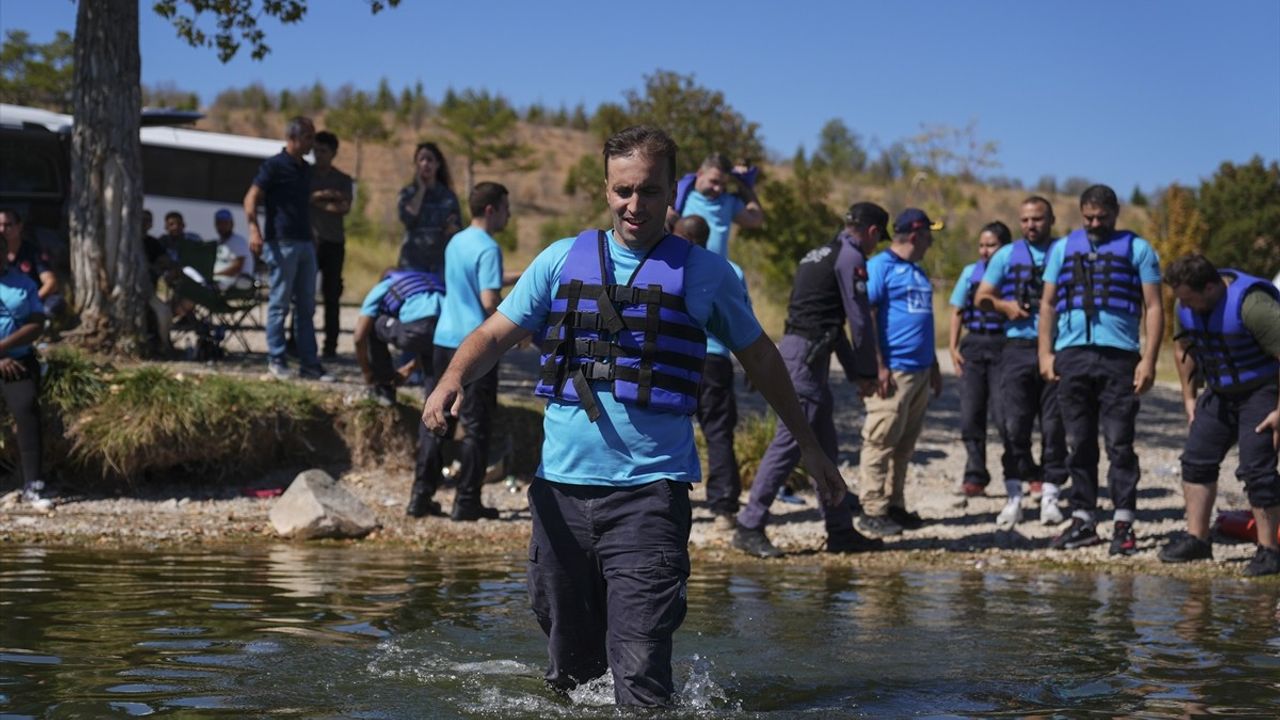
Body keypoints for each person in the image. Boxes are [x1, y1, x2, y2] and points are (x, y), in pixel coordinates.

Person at [422, 126, 847, 707]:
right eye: (623, 190)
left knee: (641, 672)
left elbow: (765, 361)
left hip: (649, 496)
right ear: (605, 189)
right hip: (559, 496)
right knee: (571, 679)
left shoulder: (706, 275)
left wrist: (812, 447)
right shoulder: (559, 260)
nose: (635, 205)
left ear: (674, 190)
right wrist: (451, 378)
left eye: (649, 190)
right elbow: (495, 335)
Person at [731, 203, 889, 557]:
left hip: (800, 352)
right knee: (789, 444)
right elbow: (859, 322)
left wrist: (855, 373)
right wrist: (867, 374)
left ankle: (840, 530)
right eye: (878, 240)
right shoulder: (850, 259)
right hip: (805, 359)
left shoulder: (819, 254)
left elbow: (832, 327)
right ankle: (749, 524)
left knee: (825, 445)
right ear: (873, 232)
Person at [1038, 184, 1163, 554]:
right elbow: (1047, 304)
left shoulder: (1139, 249)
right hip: (1072, 354)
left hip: (1119, 356)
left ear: (1115, 213)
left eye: (1102, 218)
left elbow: (1154, 307)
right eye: (1088, 218)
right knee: (1078, 442)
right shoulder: (1062, 248)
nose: (1095, 224)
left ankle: (1123, 522)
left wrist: (1149, 359)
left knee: (1120, 442)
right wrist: (1045, 354)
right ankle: (1084, 519)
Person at [1159, 254, 1280, 576]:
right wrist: (1188, 398)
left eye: (1189, 298)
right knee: (1196, 460)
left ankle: (1269, 550)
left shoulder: (1253, 305)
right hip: (1219, 391)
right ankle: (1198, 539)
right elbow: (1184, 349)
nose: (1184, 306)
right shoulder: (1186, 304)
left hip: (1262, 389)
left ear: (1211, 287)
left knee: (1257, 468)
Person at [424, 181, 519, 521]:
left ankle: (420, 496)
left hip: (443, 338)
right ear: (492, 209)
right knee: (477, 426)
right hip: (473, 346)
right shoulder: (489, 248)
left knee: (437, 417)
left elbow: (474, 279)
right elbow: (488, 300)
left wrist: (521, 276)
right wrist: (518, 326)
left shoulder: (457, 241)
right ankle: (467, 501)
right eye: (507, 208)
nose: (509, 215)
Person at [973, 197, 1069, 526]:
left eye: (1038, 219)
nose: (1031, 225)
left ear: (1052, 219)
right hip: (1016, 348)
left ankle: (1051, 496)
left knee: (1055, 427)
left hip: (1058, 348)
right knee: (1014, 425)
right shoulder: (1005, 255)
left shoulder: (1066, 251)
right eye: (1025, 220)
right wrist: (1006, 307)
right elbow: (981, 297)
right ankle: (1015, 493)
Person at [855, 208, 944, 538]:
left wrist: (933, 365)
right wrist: (877, 365)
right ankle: (872, 510)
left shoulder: (917, 271)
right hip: (893, 372)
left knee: (904, 446)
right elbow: (867, 316)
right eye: (929, 235)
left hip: (919, 371)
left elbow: (925, 323)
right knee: (880, 441)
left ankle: (895, 504)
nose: (932, 242)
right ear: (916, 234)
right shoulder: (880, 267)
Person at [243, 116, 333, 383]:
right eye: (308, 138)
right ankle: (277, 360)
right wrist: (254, 230)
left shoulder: (305, 169)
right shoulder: (273, 166)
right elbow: (251, 198)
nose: (312, 144)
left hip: (305, 243)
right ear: (294, 137)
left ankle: (310, 364)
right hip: (281, 243)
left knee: (306, 306)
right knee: (279, 303)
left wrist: (312, 235)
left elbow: (301, 206)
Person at [673, 214, 748, 532]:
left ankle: (668, 500)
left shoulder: (674, 266)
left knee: (672, 427)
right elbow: (745, 320)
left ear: (685, 238)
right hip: (717, 360)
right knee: (719, 432)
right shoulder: (731, 270)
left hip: (677, 358)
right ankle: (724, 508)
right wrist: (751, 366)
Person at [353, 266, 447, 514]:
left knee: (373, 325)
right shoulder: (434, 282)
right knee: (435, 410)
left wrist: (368, 373)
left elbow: (359, 335)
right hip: (444, 337)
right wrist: (410, 367)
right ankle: (421, 496)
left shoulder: (385, 285)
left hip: (415, 331)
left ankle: (383, 385)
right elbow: (429, 330)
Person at [947, 221, 1012, 510]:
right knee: (971, 414)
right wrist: (952, 346)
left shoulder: (1013, 274)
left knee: (1005, 416)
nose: (985, 251)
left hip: (1003, 347)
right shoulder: (969, 273)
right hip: (974, 347)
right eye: (982, 245)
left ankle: (1019, 472)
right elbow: (958, 310)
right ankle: (975, 473)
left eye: (992, 245)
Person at [0, 247, 49, 511]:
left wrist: (3, 349)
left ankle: (33, 484)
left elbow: (37, 322)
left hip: (16, 361)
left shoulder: (23, 284)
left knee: (26, 408)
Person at [666, 153, 763, 257]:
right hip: (685, 267)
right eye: (714, 181)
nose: (718, 188)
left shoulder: (728, 201)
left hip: (716, 271)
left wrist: (742, 183)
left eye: (723, 184)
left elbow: (755, 219)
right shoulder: (679, 194)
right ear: (700, 173)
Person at [310, 130, 353, 358]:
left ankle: (331, 345)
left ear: (333, 153)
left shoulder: (342, 179)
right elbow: (304, 199)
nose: (318, 155)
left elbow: (344, 207)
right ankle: (297, 341)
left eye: (323, 151)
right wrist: (326, 197)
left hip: (334, 243)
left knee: (332, 296)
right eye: (316, 150)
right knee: (304, 294)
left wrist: (317, 200)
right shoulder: (306, 175)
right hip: (311, 242)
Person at [397, 142, 461, 274]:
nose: (425, 164)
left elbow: (458, 227)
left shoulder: (448, 196)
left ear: (437, 164)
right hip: (412, 262)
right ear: (416, 164)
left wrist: (452, 228)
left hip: (440, 263)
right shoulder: (408, 194)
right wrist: (421, 190)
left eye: (430, 160)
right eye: (421, 160)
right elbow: (408, 218)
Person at [0, 208, 65, 318]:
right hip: (6, 301)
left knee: (54, 304)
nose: (2, 230)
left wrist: (30, 301)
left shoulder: (33, 252)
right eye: (0, 225)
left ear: (19, 226)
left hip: (33, 300)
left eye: (8, 225)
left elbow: (51, 283)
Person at [209, 208, 255, 292]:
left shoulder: (238, 241)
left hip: (237, 279)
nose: (222, 226)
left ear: (232, 224)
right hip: (220, 279)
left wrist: (214, 274)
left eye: (225, 223)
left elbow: (237, 268)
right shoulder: (219, 242)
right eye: (219, 223)